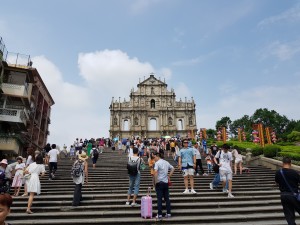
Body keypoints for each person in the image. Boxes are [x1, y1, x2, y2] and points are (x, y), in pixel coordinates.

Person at [275, 157, 300, 225]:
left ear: (282, 163)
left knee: (289, 216)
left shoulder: (278, 172)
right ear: (290, 163)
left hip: (284, 195)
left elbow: (277, 182)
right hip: (294, 195)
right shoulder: (295, 173)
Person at [153, 151, 175, 220]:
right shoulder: (166, 162)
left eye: (154, 157)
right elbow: (173, 168)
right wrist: (169, 175)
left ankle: (159, 214)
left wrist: (155, 182)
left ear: (157, 156)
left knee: (159, 199)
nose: (154, 159)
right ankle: (168, 213)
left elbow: (155, 173)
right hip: (165, 183)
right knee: (167, 199)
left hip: (159, 182)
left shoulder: (157, 163)